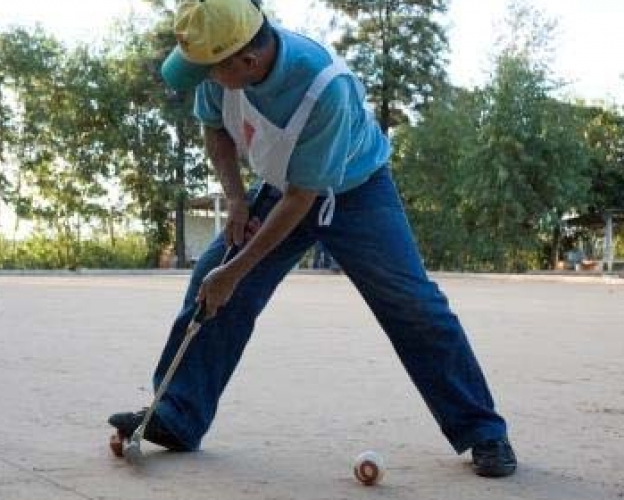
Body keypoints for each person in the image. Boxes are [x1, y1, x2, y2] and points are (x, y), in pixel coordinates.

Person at [109, 0, 516, 478]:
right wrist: (237, 200)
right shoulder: (222, 70)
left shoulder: (325, 87)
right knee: (210, 284)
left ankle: (484, 431)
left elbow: (303, 199)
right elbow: (215, 130)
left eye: (209, 70)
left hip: (356, 191)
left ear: (247, 60)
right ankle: (176, 415)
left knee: (414, 306)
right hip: (282, 185)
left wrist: (234, 272)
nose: (205, 79)